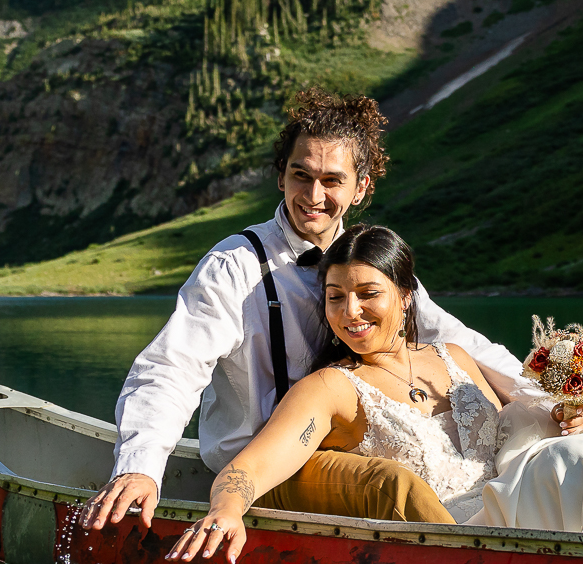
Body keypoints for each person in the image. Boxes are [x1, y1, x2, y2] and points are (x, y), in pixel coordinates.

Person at [81, 89, 552, 533]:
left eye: (332, 180)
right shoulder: (234, 266)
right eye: (301, 175)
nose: (313, 195)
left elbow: (461, 344)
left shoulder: (370, 261)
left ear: (361, 187)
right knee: (394, 483)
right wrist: (140, 468)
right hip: (271, 464)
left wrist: (548, 403)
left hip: (353, 443)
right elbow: (171, 369)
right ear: (281, 175)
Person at [168, 225, 583, 564]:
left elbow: (523, 415)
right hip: (466, 534)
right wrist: (227, 510)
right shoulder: (332, 387)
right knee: (569, 464)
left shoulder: (453, 356)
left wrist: (564, 412)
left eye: (368, 294)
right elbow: (253, 467)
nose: (350, 312)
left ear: (405, 298)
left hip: (519, 499)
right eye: (335, 298)